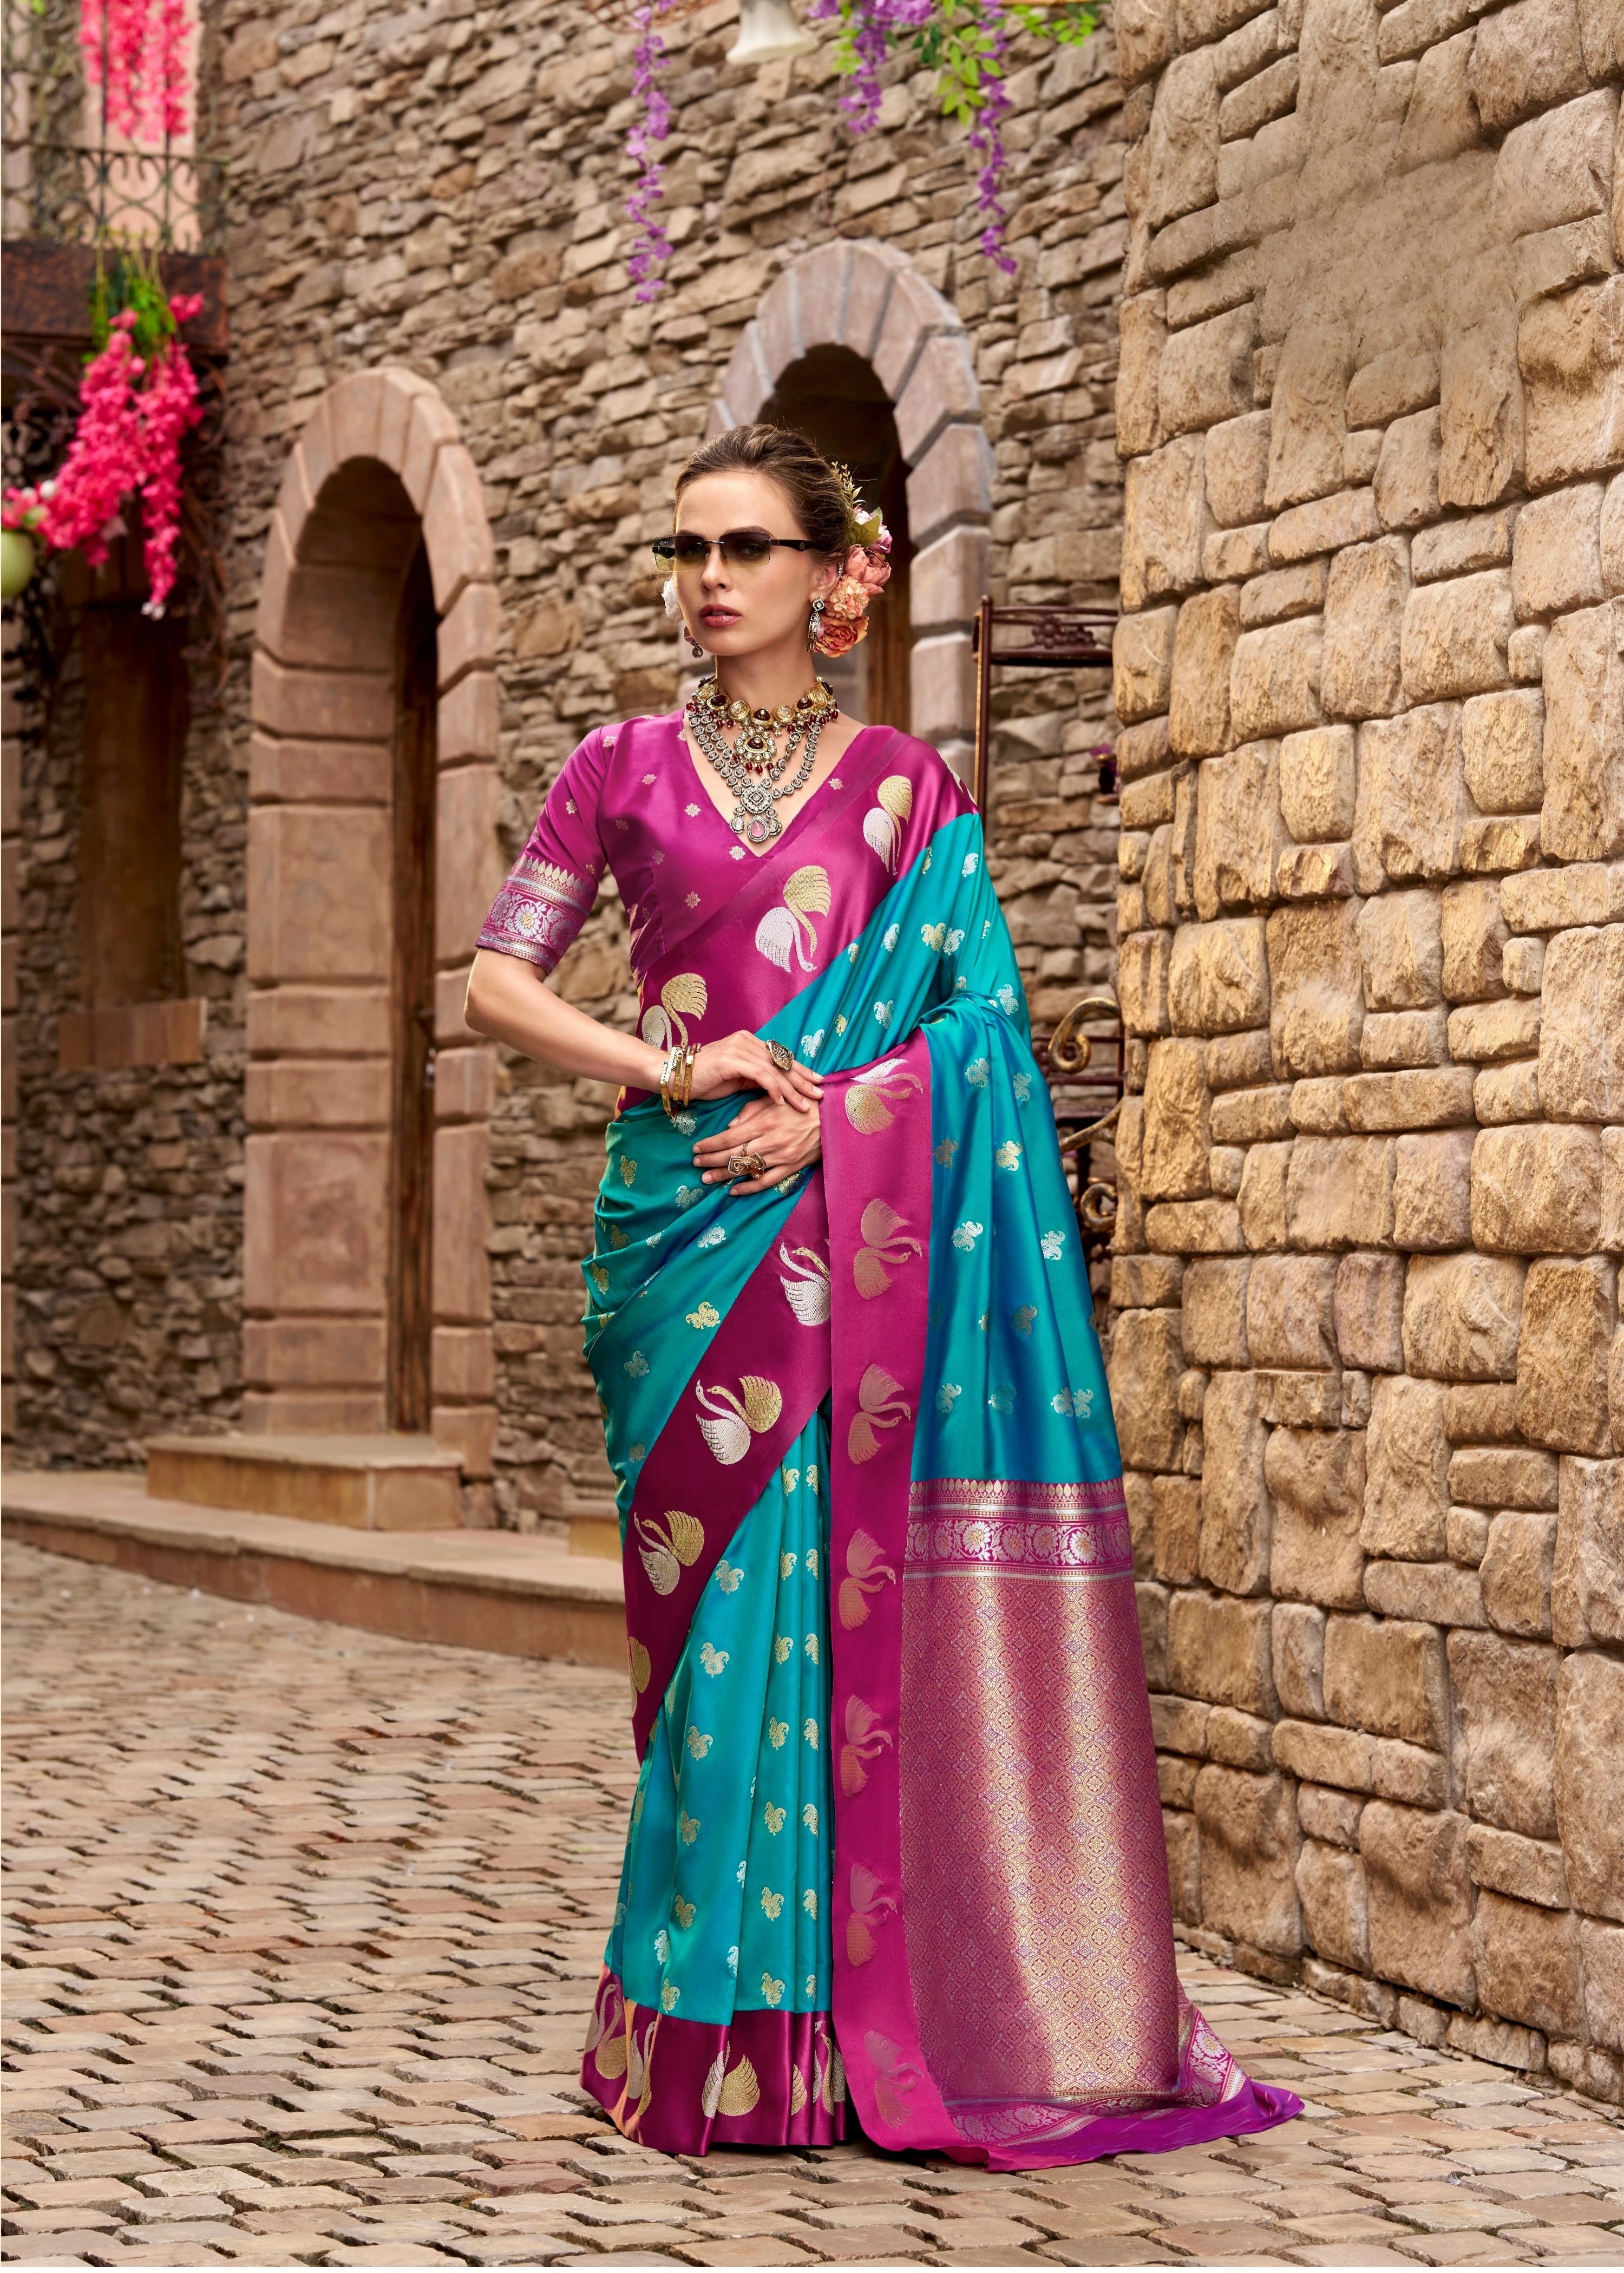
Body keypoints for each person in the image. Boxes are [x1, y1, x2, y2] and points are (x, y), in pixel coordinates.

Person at [464, 424, 1301, 2169]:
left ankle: (846, 2042)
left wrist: (842, 1120)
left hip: (847, 1247)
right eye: (687, 550)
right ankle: (701, 2031)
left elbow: (983, 1035)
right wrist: (683, 1069)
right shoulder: (614, 768)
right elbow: (494, 986)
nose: (707, 582)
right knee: (707, 1664)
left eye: (747, 549)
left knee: (833, 1630)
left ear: (837, 577)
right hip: (678, 1247)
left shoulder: (913, 797)